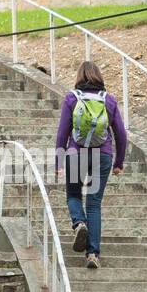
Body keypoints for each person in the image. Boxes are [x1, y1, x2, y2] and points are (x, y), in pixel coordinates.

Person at [54, 61, 128, 269]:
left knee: (73, 195)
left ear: (79, 76)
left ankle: (79, 223)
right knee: (94, 204)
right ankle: (92, 254)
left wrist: (59, 161)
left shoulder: (71, 98)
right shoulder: (109, 101)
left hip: (75, 154)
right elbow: (121, 135)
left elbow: (62, 133)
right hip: (102, 155)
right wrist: (118, 162)